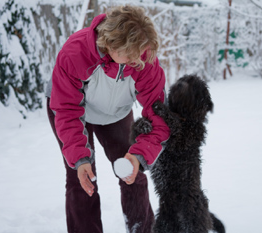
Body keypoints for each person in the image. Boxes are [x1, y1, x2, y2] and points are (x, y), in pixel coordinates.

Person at [45, 5, 170, 233]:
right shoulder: (75, 53)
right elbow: (66, 108)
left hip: (116, 113)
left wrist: (139, 155)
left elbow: (159, 114)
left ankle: (141, 229)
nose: (137, 59)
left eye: (139, 51)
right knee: (82, 178)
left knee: (133, 173)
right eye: (130, 53)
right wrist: (81, 159)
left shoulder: (143, 57)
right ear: (111, 43)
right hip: (69, 110)